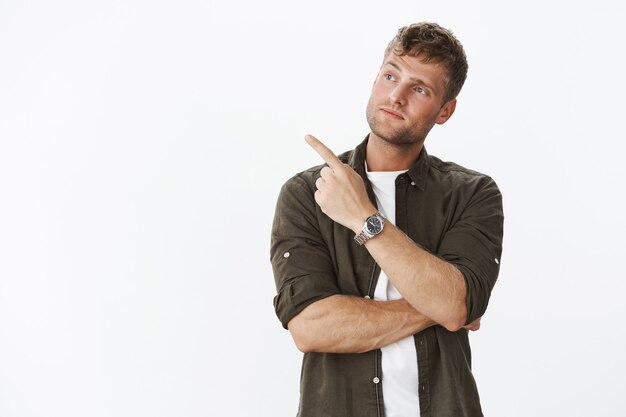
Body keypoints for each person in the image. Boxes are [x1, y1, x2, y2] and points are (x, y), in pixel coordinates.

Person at [270, 22, 504, 417]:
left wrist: (364, 216)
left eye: (419, 88)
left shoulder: (472, 193)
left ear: (445, 110)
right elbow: (311, 327)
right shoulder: (308, 193)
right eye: (390, 75)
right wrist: (444, 307)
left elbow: (456, 303)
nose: (396, 96)